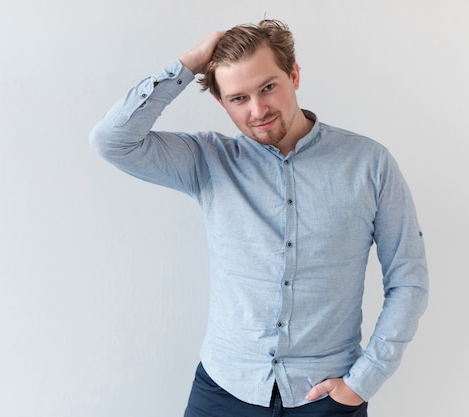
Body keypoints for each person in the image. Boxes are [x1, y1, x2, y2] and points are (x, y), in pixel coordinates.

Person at [89, 19, 428, 417]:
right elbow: (112, 141)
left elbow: (408, 280)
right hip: (222, 390)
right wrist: (190, 63)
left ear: (294, 75)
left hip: (325, 398)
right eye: (238, 98)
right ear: (222, 103)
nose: (258, 110)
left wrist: (362, 382)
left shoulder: (370, 164)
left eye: (268, 87)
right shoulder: (208, 161)